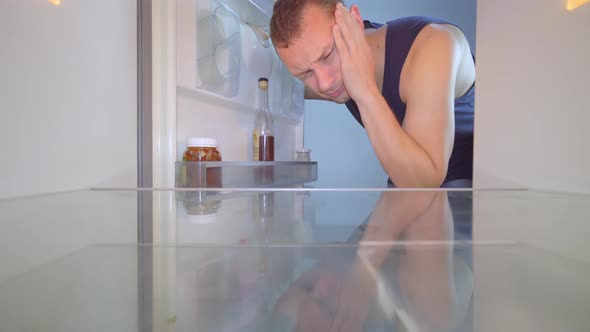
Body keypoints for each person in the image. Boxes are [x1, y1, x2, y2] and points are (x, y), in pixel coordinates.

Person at [270, 1, 475, 188]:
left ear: (356, 22)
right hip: (403, 175)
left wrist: (365, 91)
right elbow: (273, 85)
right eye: (305, 74)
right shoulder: (330, 74)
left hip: (474, 186)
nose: (325, 84)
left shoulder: (433, 46)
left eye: (328, 54)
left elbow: (424, 184)